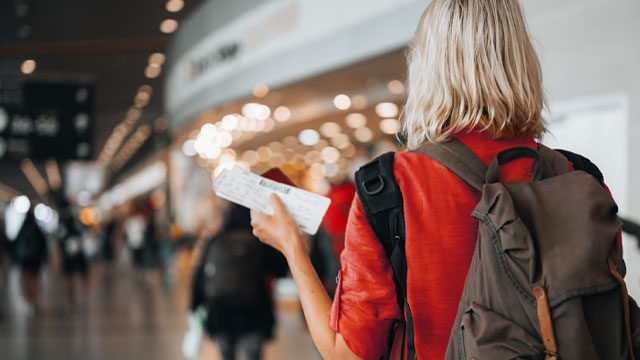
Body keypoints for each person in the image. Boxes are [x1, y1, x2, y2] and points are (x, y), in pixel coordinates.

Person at [249, 1, 577, 359]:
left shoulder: (390, 187)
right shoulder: (577, 179)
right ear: (521, 59)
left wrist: (291, 246)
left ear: (428, 67)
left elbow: (345, 355)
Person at [190, 203, 287, 360]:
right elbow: (281, 270)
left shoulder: (215, 241)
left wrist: (194, 306)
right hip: (254, 314)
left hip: (220, 314)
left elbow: (200, 276)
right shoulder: (260, 242)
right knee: (252, 355)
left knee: (227, 355)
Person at [14, 209, 48, 312]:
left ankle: (29, 299)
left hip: (25, 260)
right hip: (36, 259)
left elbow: (16, 244)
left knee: (27, 279)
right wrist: (45, 257)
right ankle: (34, 299)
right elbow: (43, 244)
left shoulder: (23, 228)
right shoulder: (37, 228)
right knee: (35, 279)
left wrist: (16, 258)